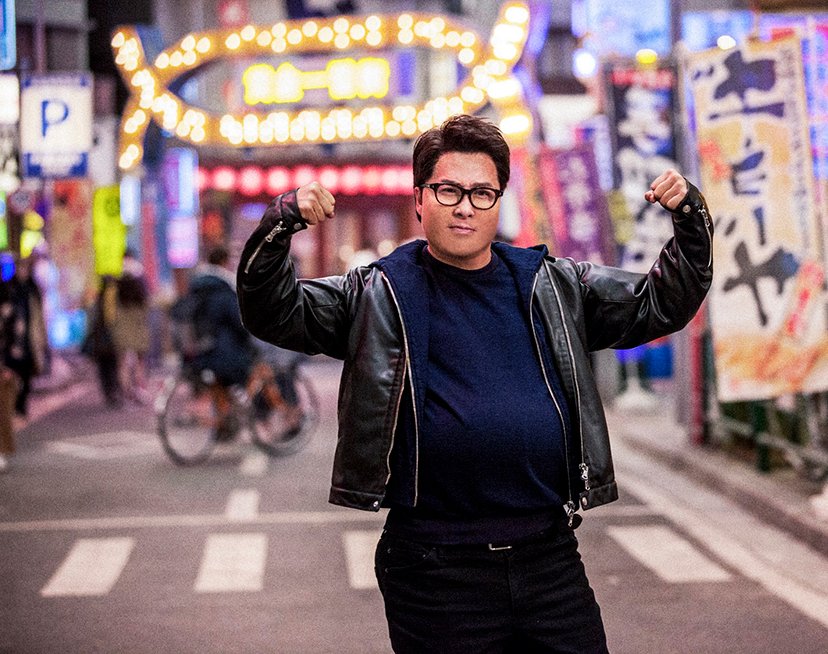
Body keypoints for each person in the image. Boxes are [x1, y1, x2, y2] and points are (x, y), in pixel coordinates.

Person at [237, 114, 713, 653]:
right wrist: (281, 223)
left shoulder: (552, 285)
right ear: (420, 199)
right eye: (449, 190)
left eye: (482, 193)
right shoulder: (375, 294)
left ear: (498, 201)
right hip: (434, 569)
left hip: (549, 557)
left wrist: (690, 219)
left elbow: (657, 304)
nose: (465, 206)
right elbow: (273, 311)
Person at [173, 246, 255, 439]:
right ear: (224, 263)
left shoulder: (196, 288)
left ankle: (225, 425)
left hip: (196, 352)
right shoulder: (222, 289)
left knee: (217, 380)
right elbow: (239, 322)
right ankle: (232, 417)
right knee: (249, 366)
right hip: (223, 354)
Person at [0, 256, 48, 418]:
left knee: (27, 374)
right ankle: (16, 407)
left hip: (28, 338)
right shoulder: (8, 289)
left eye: (25, 269)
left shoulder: (32, 290)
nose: (22, 272)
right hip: (12, 340)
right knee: (13, 374)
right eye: (20, 268)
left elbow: (39, 316)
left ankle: (21, 406)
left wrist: (43, 337)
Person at [114, 252, 151, 404]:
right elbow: (147, 302)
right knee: (140, 361)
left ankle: (126, 393)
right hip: (138, 326)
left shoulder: (117, 280)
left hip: (121, 328)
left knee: (122, 362)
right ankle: (140, 390)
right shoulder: (139, 277)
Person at [84, 275, 122, 407]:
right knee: (112, 367)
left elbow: (92, 319)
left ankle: (109, 393)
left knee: (104, 369)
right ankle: (113, 392)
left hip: (100, 340)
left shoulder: (98, 299)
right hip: (110, 339)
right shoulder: (113, 297)